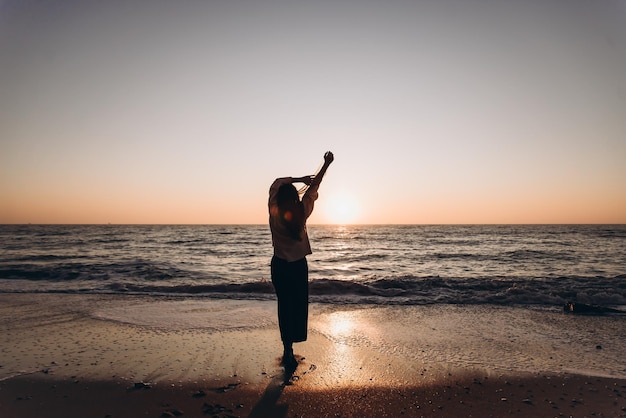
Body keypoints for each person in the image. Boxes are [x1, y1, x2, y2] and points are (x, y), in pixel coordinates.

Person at [268, 151, 334, 370]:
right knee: (297, 307)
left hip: (279, 265)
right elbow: (315, 187)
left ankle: (287, 349)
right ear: (295, 198)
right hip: (297, 267)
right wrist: (326, 164)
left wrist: (299, 179)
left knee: (284, 306)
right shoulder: (301, 213)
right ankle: (291, 350)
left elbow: (277, 182)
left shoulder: (274, 211)